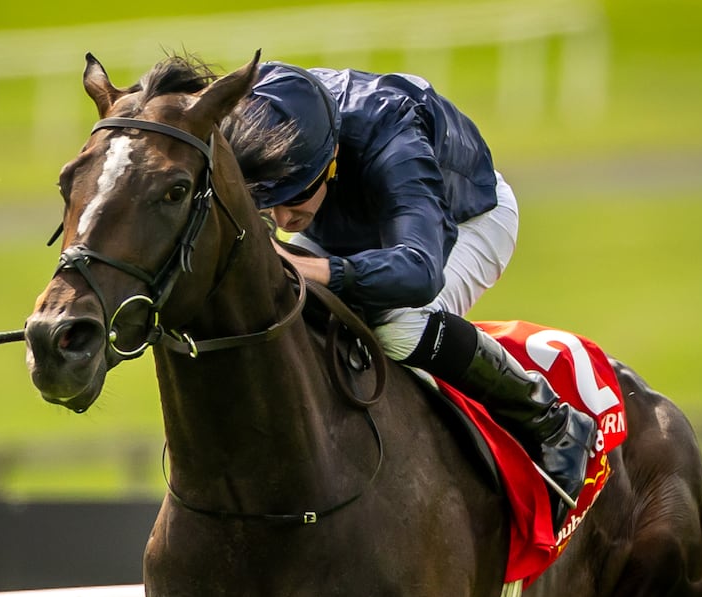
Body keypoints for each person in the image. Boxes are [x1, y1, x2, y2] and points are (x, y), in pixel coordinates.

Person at [221, 61, 596, 534]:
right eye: (266, 201)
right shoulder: (261, 115)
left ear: (331, 156)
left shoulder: (392, 132)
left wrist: (321, 269)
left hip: (460, 222)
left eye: (293, 197)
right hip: (354, 220)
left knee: (397, 326)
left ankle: (553, 422)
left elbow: (419, 271)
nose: (281, 219)